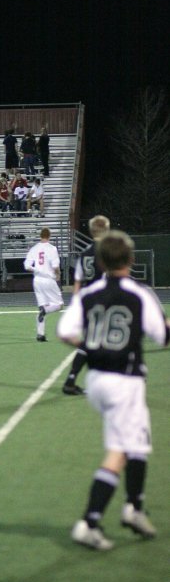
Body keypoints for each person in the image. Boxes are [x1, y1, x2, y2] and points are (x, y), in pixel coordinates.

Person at [57, 230, 169, 551]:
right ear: (131, 260)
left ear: (101, 261)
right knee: (120, 451)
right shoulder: (139, 293)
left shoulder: (88, 295)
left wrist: (94, 346)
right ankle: (89, 522)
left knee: (138, 443)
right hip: (125, 382)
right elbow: (163, 335)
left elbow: (65, 333)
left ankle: (134, 507)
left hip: (97, 381)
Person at [62, 215, 111, 395]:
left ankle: (74, 380)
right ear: (106, 229)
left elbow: (78, 283)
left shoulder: (84, 253)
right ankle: (72, 381)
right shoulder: (107, 251)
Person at [24, 227, 63, 341]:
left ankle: (40, 334)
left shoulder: (34, 248)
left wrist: (37, 270)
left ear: (40, 236)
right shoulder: (52, 248)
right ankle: (44, 312)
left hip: (37, 280)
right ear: (49, 236)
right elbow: (55, 266)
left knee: (42, 305)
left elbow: (27, 266)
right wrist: (58, 275)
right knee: (59, 305)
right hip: (48, 279)